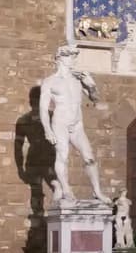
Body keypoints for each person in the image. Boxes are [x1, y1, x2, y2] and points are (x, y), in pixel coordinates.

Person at [39, 46, 108, 203]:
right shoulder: (50, 82)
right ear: (60, 58)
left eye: (74, 57)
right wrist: (47, 130)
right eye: (70, 56)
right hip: (60, 123)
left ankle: (97, 191)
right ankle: (66, 189)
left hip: (77, 124)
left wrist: (91, 85)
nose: (73, 60)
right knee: (62, 156)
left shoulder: (78, 79)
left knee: (90, 158)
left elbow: (95, 99)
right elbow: (43, 109)